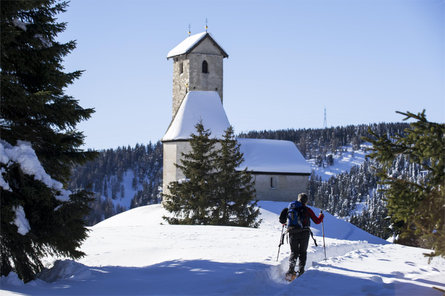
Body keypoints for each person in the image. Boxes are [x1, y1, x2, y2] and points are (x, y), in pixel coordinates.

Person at [279, 193, 324, 279]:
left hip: (292, 232)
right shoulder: (307, 209)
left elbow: (282, 220)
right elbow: (317, 221)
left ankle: (290, 271)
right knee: (303, 252)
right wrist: (321, 216)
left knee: (294, 252)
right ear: (306, 201)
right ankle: (301, 271)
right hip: (304, 233)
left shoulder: (291, 208)